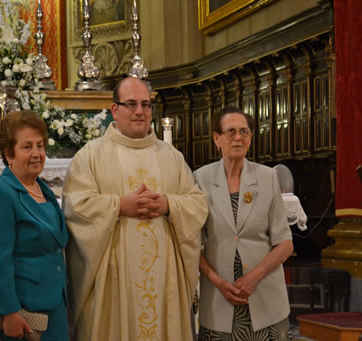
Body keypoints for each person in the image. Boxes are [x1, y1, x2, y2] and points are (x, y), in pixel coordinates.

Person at [62, 76, 208, 341]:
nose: (140, 111)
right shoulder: (91, 155)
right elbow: (75, 205)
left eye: (145, 104)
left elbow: (196, 203)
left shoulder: (171, 157)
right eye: (131, 104)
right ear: (114, 110)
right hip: (113, 285)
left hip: (165, 281)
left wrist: (168, 204)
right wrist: (119, 206)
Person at [193, 106, 293, 340]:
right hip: (219, 299)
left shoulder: (268, 177)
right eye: (231, 132)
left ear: (250, 138)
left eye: (244, 132)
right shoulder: (200, 179)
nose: (238, 137)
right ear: (216, 138)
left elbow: (285, 243)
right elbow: (191, 244)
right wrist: (218, 282)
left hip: (265, 296)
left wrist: (253, 277)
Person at [0, 110, 69, 341]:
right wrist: (8, 312)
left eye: (40, 145)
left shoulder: (42, 189)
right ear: (9, 153)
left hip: (53, 308)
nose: (37, 153)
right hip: (20, 317)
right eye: (27, 147)